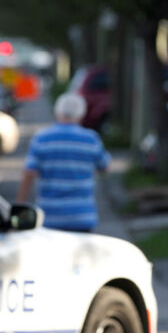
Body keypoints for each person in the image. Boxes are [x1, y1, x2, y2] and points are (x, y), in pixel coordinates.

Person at [16, 92, 110, 231]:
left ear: (57, 112)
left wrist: (20, 207)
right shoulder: (91, 139)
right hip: (82, 217)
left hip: (50, 218)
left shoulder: (41, 138)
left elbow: (29, 173)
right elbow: (104, 166)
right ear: (81, 114)